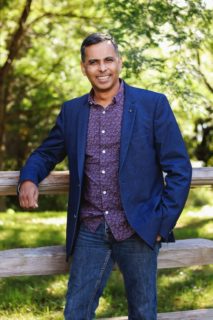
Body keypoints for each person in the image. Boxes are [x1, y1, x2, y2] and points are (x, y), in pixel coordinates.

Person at [18, 33, 192, 320]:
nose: (102, 68)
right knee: (76, 312)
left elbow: (179, 168)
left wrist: (162, 223)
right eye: (94, 62)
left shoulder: (153, 105)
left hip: (140, 228)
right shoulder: (72, 111)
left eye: (108, 60)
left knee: (143, 312)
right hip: (90, 228)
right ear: (83, 67)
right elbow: (46, 153)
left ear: (119, 62)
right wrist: (28, 178)